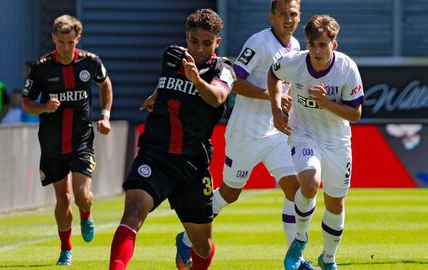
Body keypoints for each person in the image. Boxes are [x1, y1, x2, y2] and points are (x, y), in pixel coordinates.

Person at [175, 1, 316, 270]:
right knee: (230, 193)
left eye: (293, 14)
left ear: (300, 17)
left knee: (295, 189)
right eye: (283, 14)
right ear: (272, 16)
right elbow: (234, 81)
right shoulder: (259, 42)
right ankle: (186, 238)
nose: (288, 19)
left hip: (276, 133)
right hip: (246, 133)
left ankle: (295, 260)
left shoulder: (296, 46)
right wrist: (272, 97)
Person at [109, 9, 235, 270]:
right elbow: (168, 82)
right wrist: (156, 94)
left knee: (202, 244)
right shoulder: (171, 56)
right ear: (186, 37)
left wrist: (197, 80)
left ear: (217, 42)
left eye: (206, 43)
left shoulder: (223, 69)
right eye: (193, 41)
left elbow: (217, 98)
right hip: (155, 154)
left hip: (192, 163)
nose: (199, 48)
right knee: (133, 213)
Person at [268, 15, 364, 270]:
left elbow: (355, 114)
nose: (317, 50)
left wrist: (326, 104)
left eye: (323, 44)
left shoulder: (347, 68)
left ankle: (328, 259)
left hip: (337, 141)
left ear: (334, 44)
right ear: (306, 43)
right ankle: (299, 240)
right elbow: (273, 74)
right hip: (303, 133)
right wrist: (277, 109)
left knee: (335, 204)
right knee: (309, 185)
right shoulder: (294, 62)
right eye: (312, 44)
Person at [21, 14, 113, 266]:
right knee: (63, 198)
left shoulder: (90, 62)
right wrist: (44, 108)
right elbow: (26, 103)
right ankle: (66, 249)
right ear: (53, 38)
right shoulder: (41, 67)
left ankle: (86, 213)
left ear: (77, 39)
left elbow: (105, 85)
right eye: (60, 42)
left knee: (82, 194)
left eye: (70, 42)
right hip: (52, 142)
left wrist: (105, 116)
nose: (65, 48)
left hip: (81, 139)